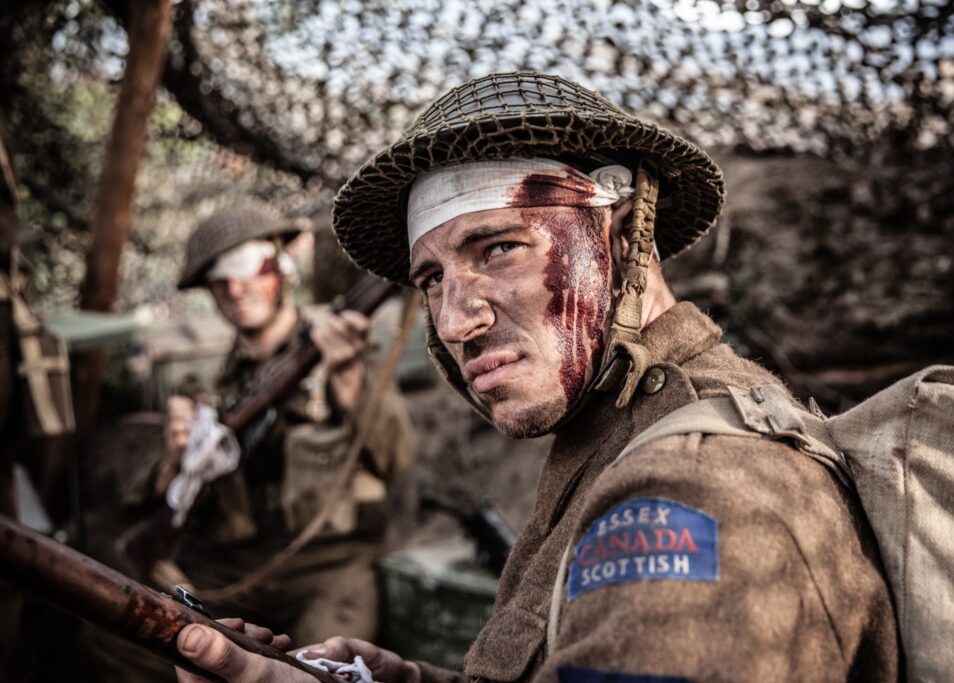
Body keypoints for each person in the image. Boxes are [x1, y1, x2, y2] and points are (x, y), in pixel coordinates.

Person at [174, 74, 898, 682]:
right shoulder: (614, 431)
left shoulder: (697, 488)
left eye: (498, 249)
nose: (455, 322)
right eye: (432, 278)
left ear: (621, 241)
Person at [126, 205, 412, 667]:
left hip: (326, 567)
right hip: (232, 567)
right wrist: (179, 456)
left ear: (281, 269)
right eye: (219, 280)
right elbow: (165, 494)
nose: (236, 289)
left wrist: (348, 378)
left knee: (326, 665)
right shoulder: (205, 389)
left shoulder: (344, 349)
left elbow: (397, 458)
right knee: (148, 647)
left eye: (249, 269)